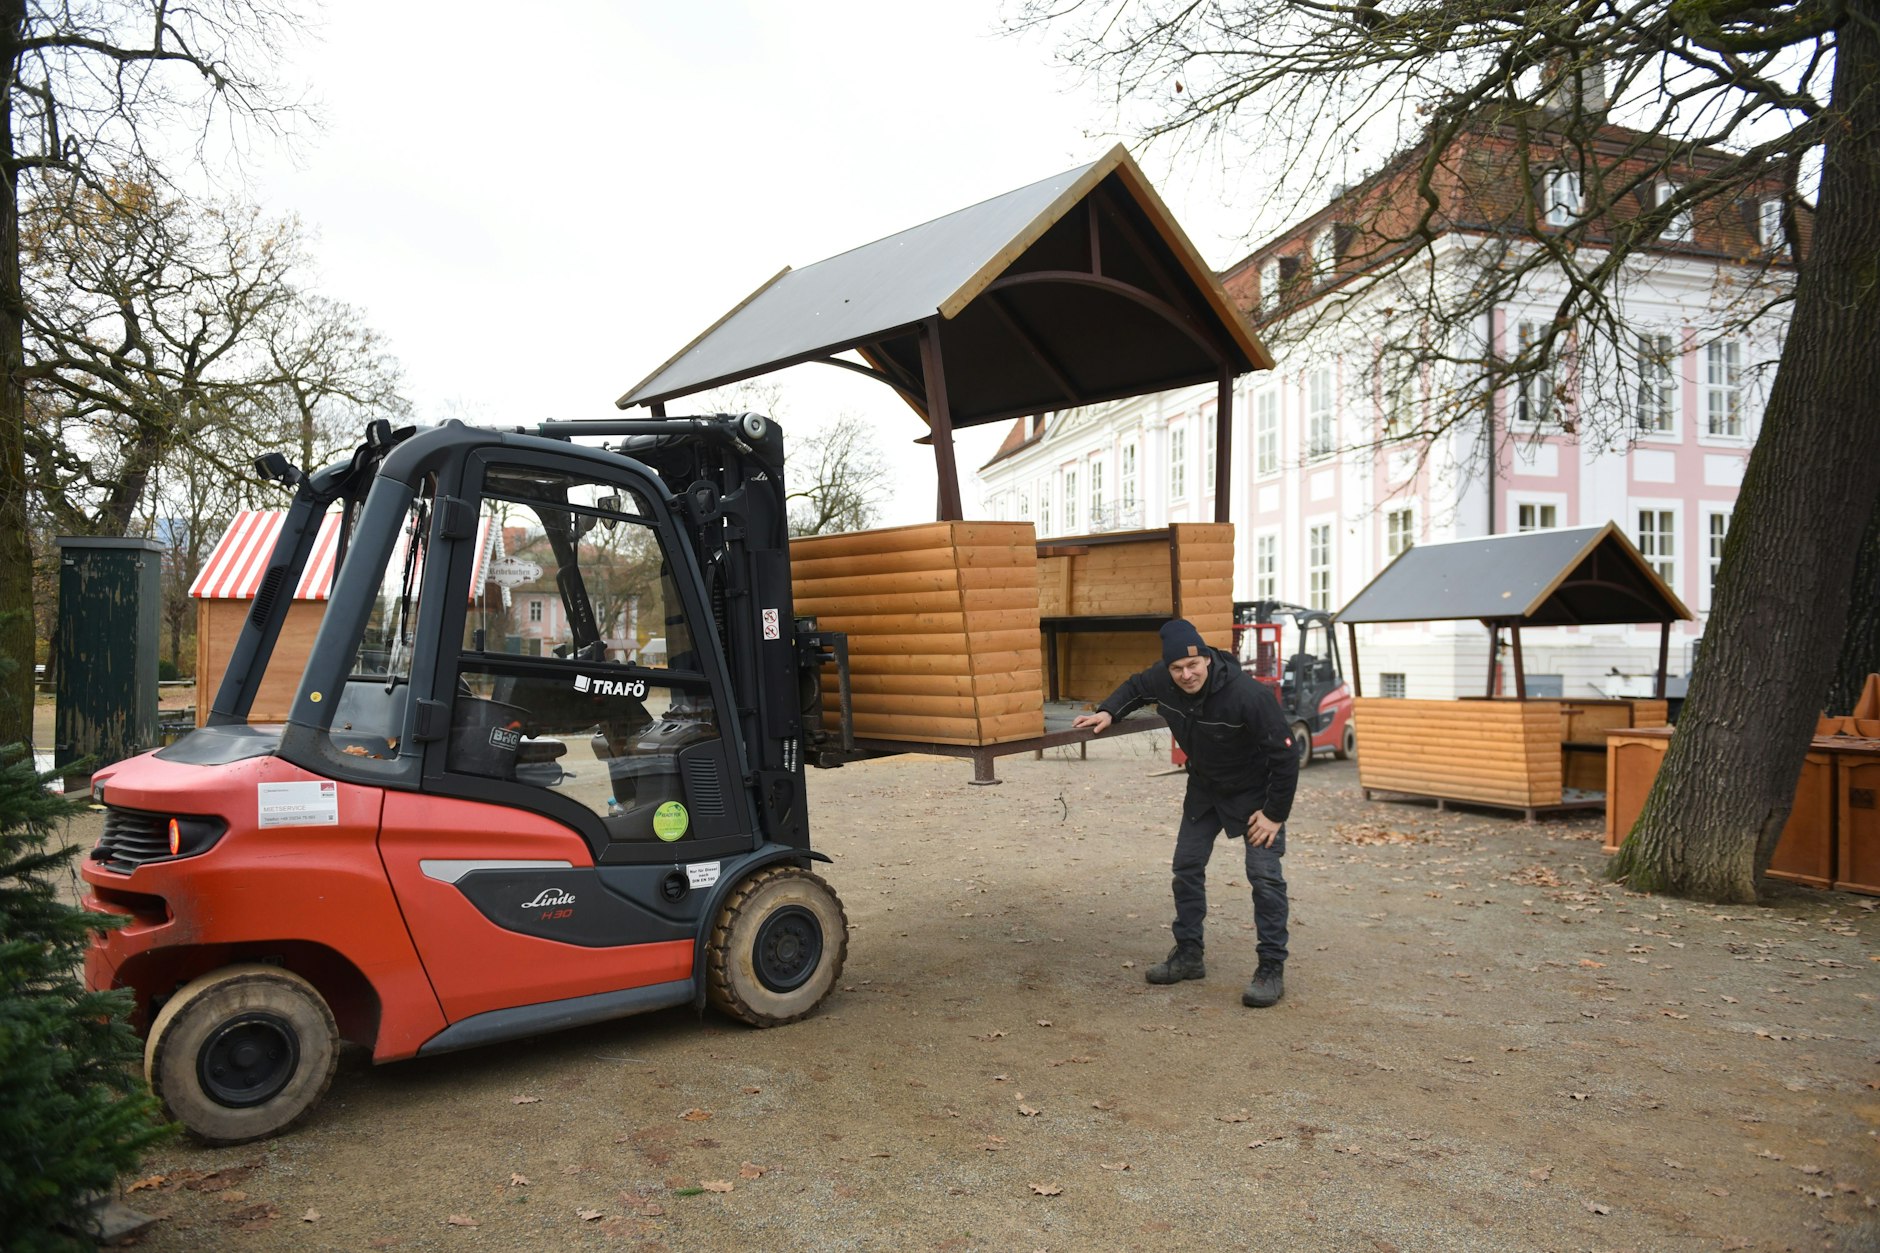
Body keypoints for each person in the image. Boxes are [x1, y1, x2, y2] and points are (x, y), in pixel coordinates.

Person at [1072, 618, 1300, 1007]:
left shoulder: (1248, 695)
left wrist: (1274, 815)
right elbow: (1135, 686)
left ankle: (1270, 968)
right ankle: (1189, 955)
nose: (1186, 675)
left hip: (1254, 795)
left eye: (1193, 666)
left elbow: (1285, 755)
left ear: (1207, 659)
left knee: (1264, 877)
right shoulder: (1164, 678)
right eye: (1177, 669)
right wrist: (1109, 711)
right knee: (1187, 867)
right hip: (1206, 789)